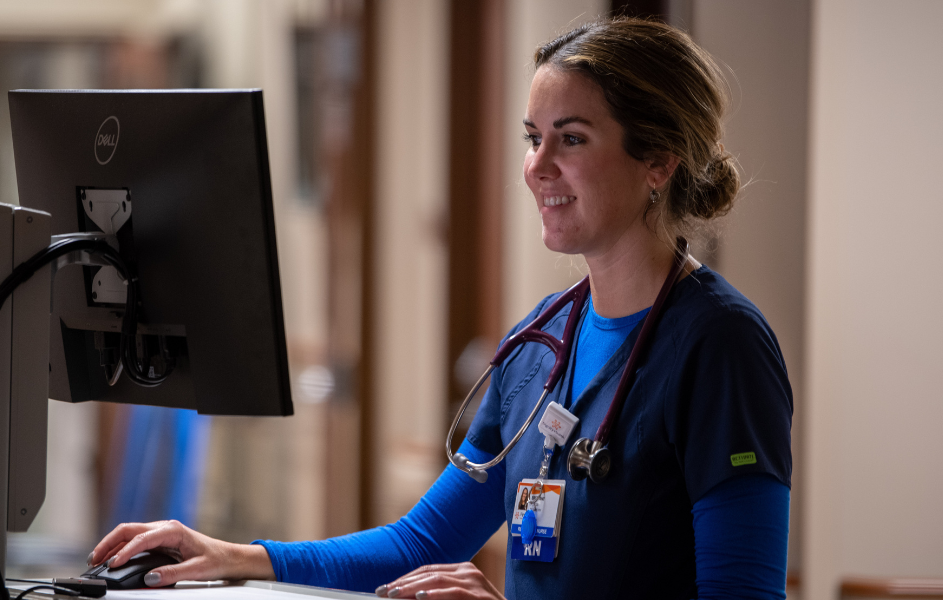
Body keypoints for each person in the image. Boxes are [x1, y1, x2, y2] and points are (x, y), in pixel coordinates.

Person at [88, 17, 792, 600]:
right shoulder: (540, 343)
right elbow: (419, 543)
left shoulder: (719, 346)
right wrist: (236, 556)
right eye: (531, 137)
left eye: (570, 139)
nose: (538, 166)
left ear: (658, 163)